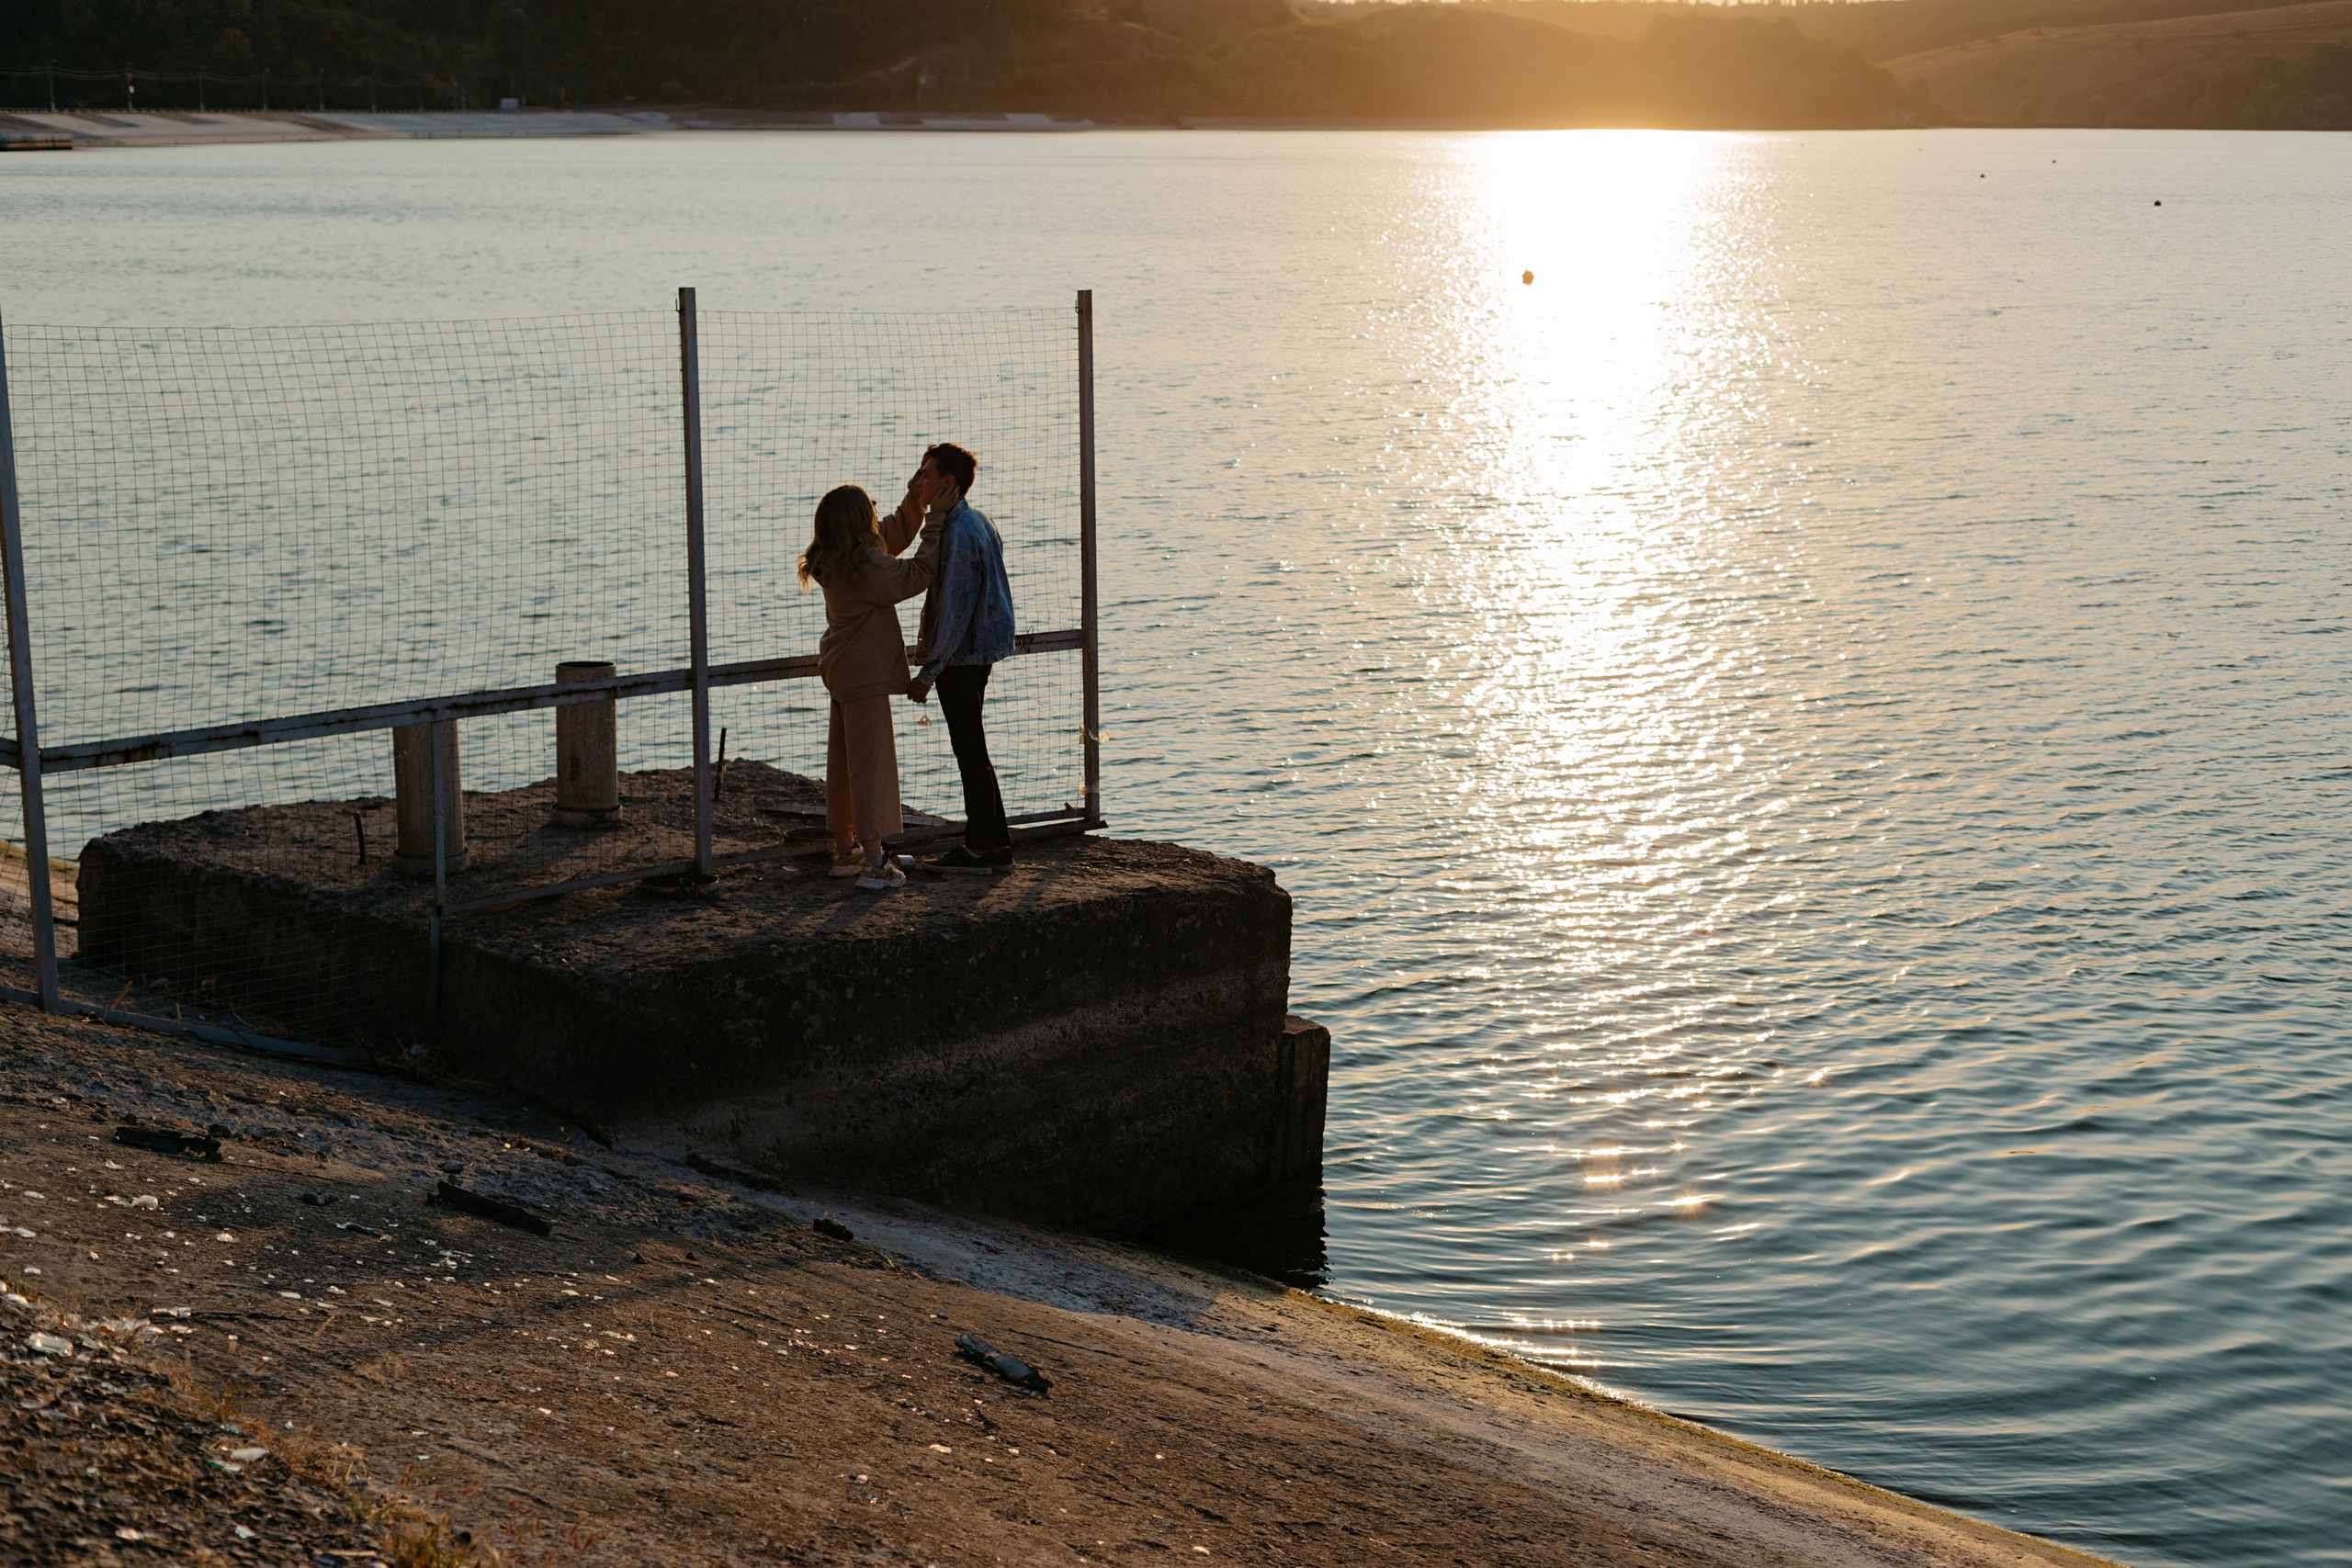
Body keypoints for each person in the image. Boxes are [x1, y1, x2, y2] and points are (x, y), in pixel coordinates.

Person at [802, 482, 941, 891]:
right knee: (870, 768)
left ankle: (846, 850)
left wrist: (916, 499)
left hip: (842, 672)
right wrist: (935, 524)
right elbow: (918, 574)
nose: (877, 510)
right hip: (865, 677)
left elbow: (891, 535)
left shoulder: (834, 558)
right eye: (870, 508)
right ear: (858, 522)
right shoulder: (866, 567)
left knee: (844, 765)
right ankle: (875, 863)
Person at [891, 442, 1016, 874]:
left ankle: (981, 850)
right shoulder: (978, 521)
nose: (916, 481)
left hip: (961, 660)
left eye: (924, 473)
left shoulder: (958, 535)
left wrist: (929, 672)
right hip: (977, 655)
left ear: (948, 482)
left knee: (970, 752)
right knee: (973, 750)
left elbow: (954, 611)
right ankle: (997, 846)